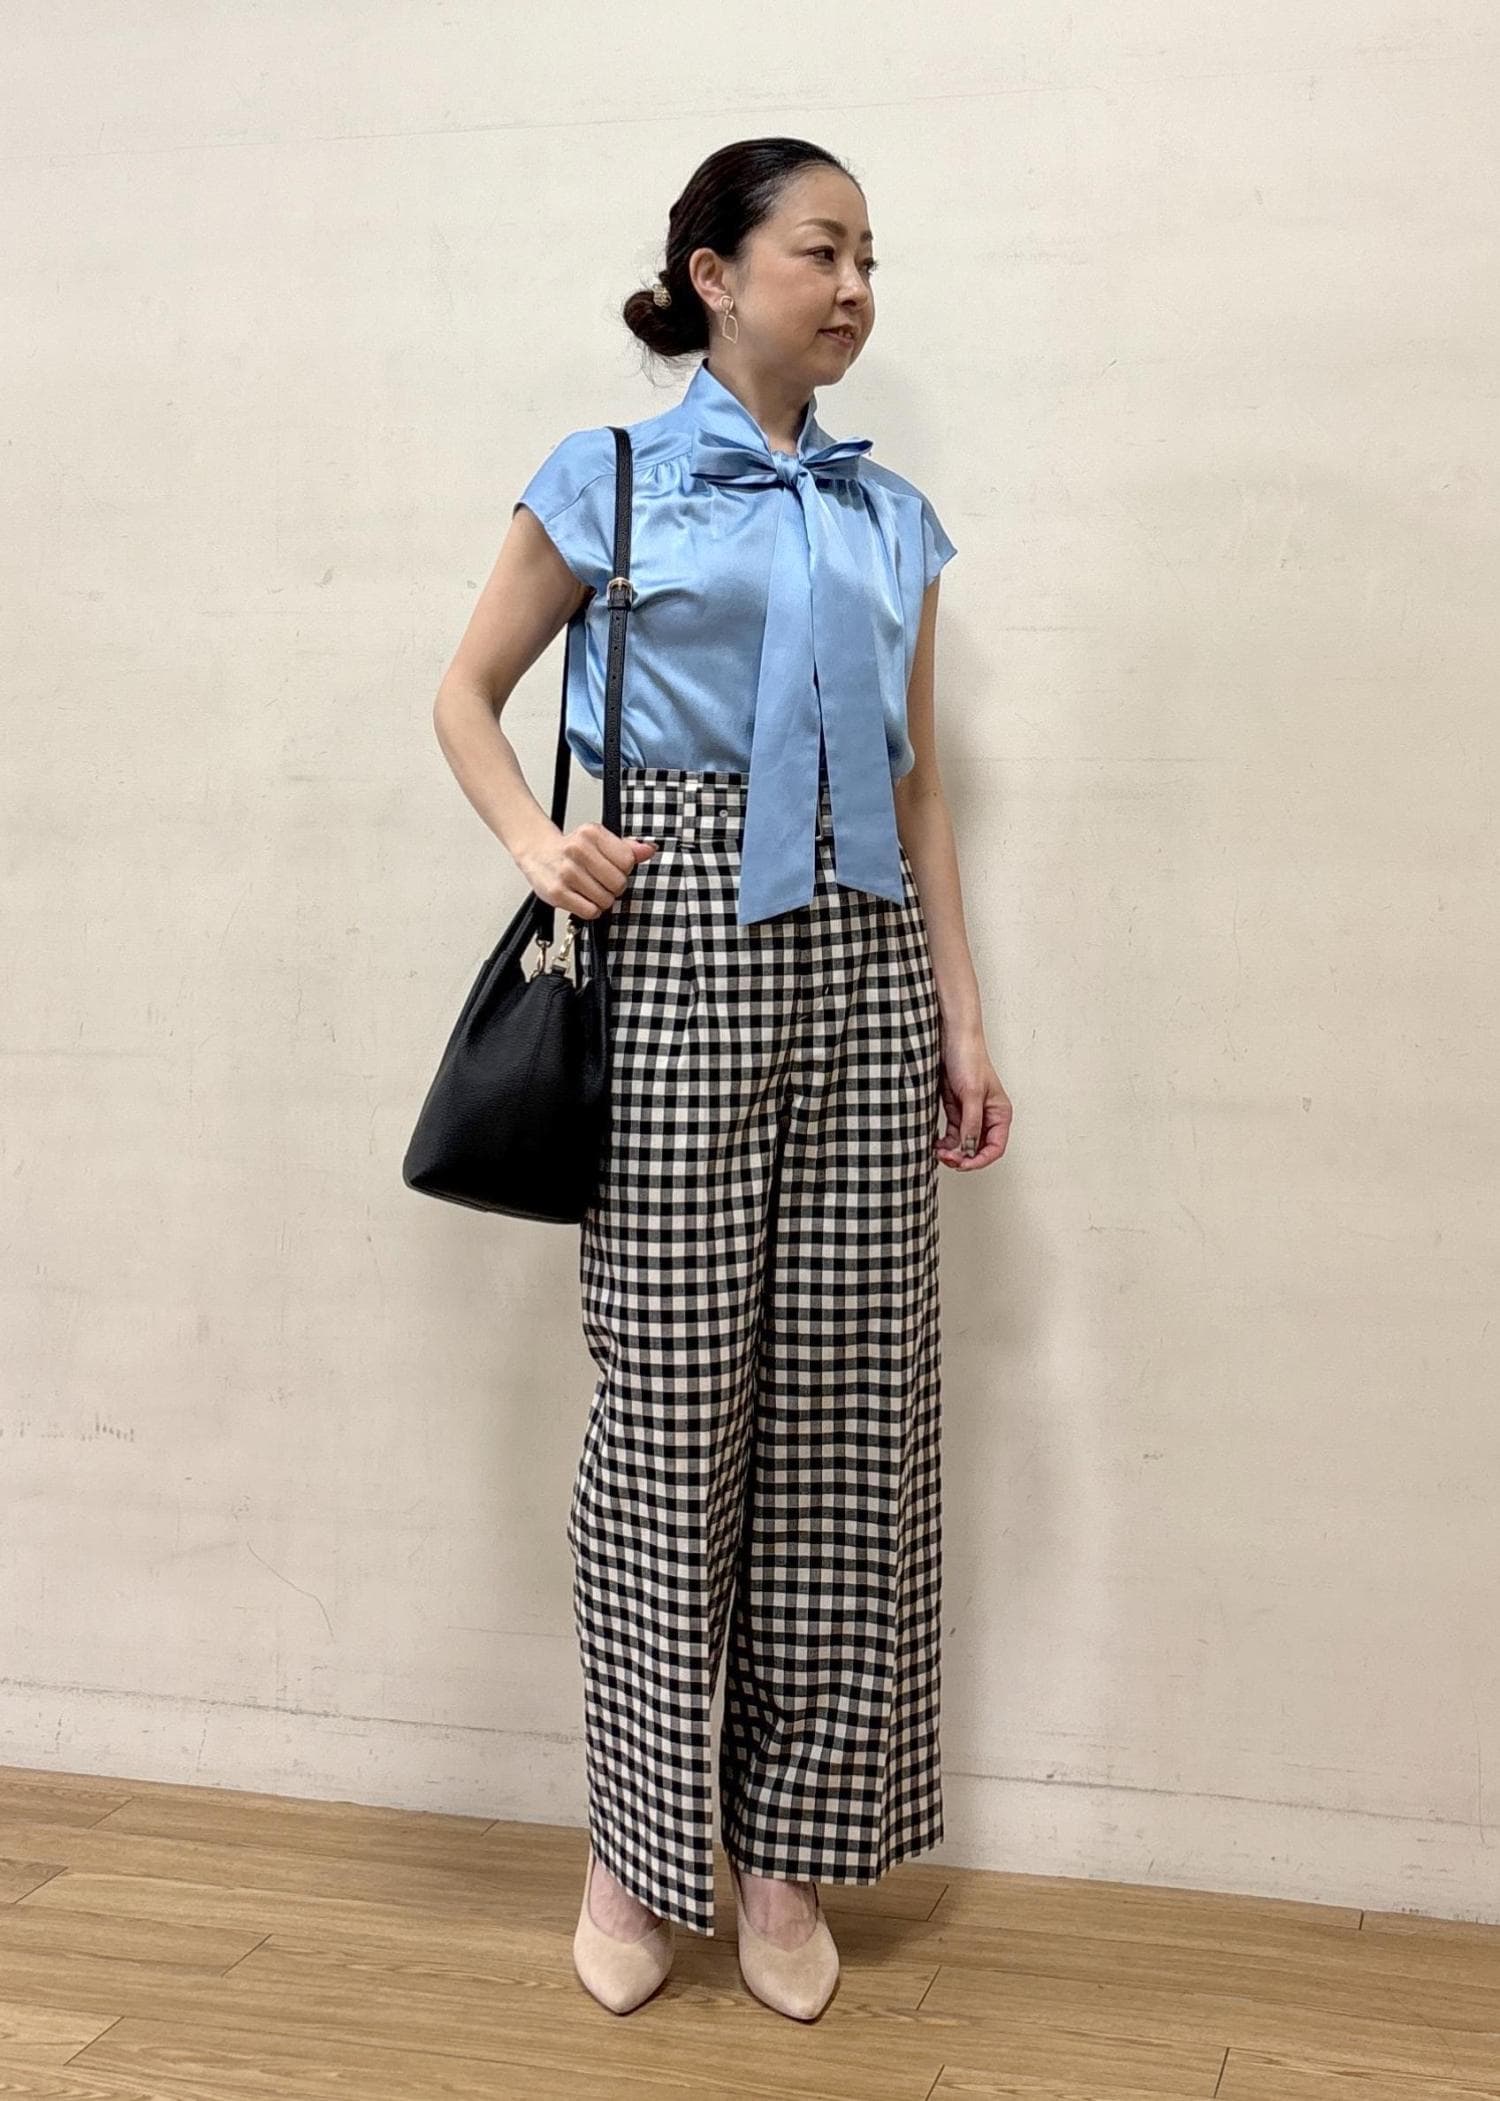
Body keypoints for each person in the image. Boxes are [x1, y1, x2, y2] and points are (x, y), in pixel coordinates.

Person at [432, 137, 1012, 2019]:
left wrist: (963, 1020)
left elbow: (918, 785)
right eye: (820, 251)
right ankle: (635, 1842)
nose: (853, 289)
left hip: (862, 961)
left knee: (848, 1422)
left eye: (869, 259)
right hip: (676, 945)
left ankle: (782, 1853)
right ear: (714, 272)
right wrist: (542, 845)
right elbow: (464, 693)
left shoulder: (891, 515)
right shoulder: (606, 478)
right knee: (670, 1421)